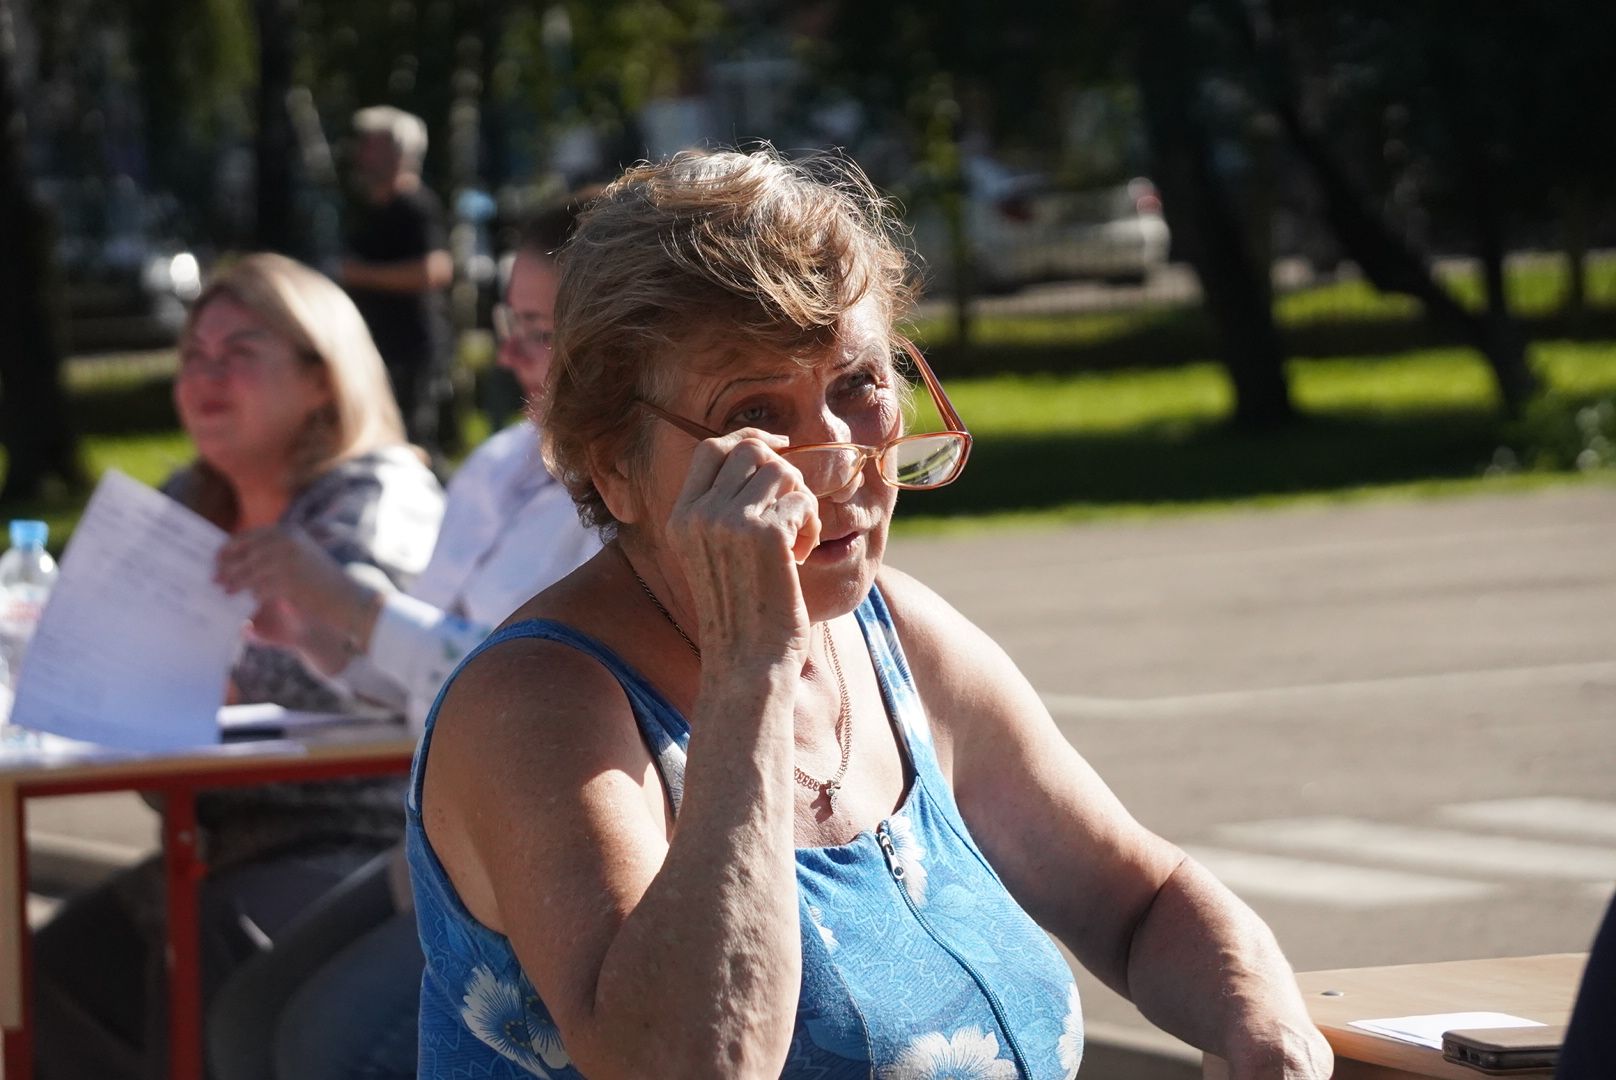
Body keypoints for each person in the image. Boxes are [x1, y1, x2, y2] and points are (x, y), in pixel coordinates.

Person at [407, 148, 1332, 1078]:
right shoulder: (538, 708)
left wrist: (1263, 1025)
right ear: (616, 466)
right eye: (759, 416)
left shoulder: (897, 634)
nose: (842, 456)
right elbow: (691, 1062)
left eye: (859, 384)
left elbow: (1142, 903)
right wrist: (752, 669)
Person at [204, 200, 601, 1080]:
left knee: (320, 1042)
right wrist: (322, 639)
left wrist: (353, 605)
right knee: (244, 1017)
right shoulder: (502, 464)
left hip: (531, 851)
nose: (507, 354)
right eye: (511, 324)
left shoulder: (617, 494)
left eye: (535, 330)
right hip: (436, 833)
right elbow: (430, 687)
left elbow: (531, 691)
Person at [31, 252, 445, 1080]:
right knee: (60, 968)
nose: (205, 378)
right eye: (193, 356)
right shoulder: (192, 499)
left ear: (321, 379)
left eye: (238, 355)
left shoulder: (377, 497)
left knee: (200, 961)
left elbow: (349, 675)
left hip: (356, 840)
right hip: (217, 833)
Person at [342, 105, 455, 455]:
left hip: (411, 349)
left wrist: (358, 274)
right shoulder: (368, 209)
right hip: (378, 345)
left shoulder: (416, 207)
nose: (361, 155)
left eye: (371, 146)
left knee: (413, 444)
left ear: (400, 152)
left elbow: (434, 271)